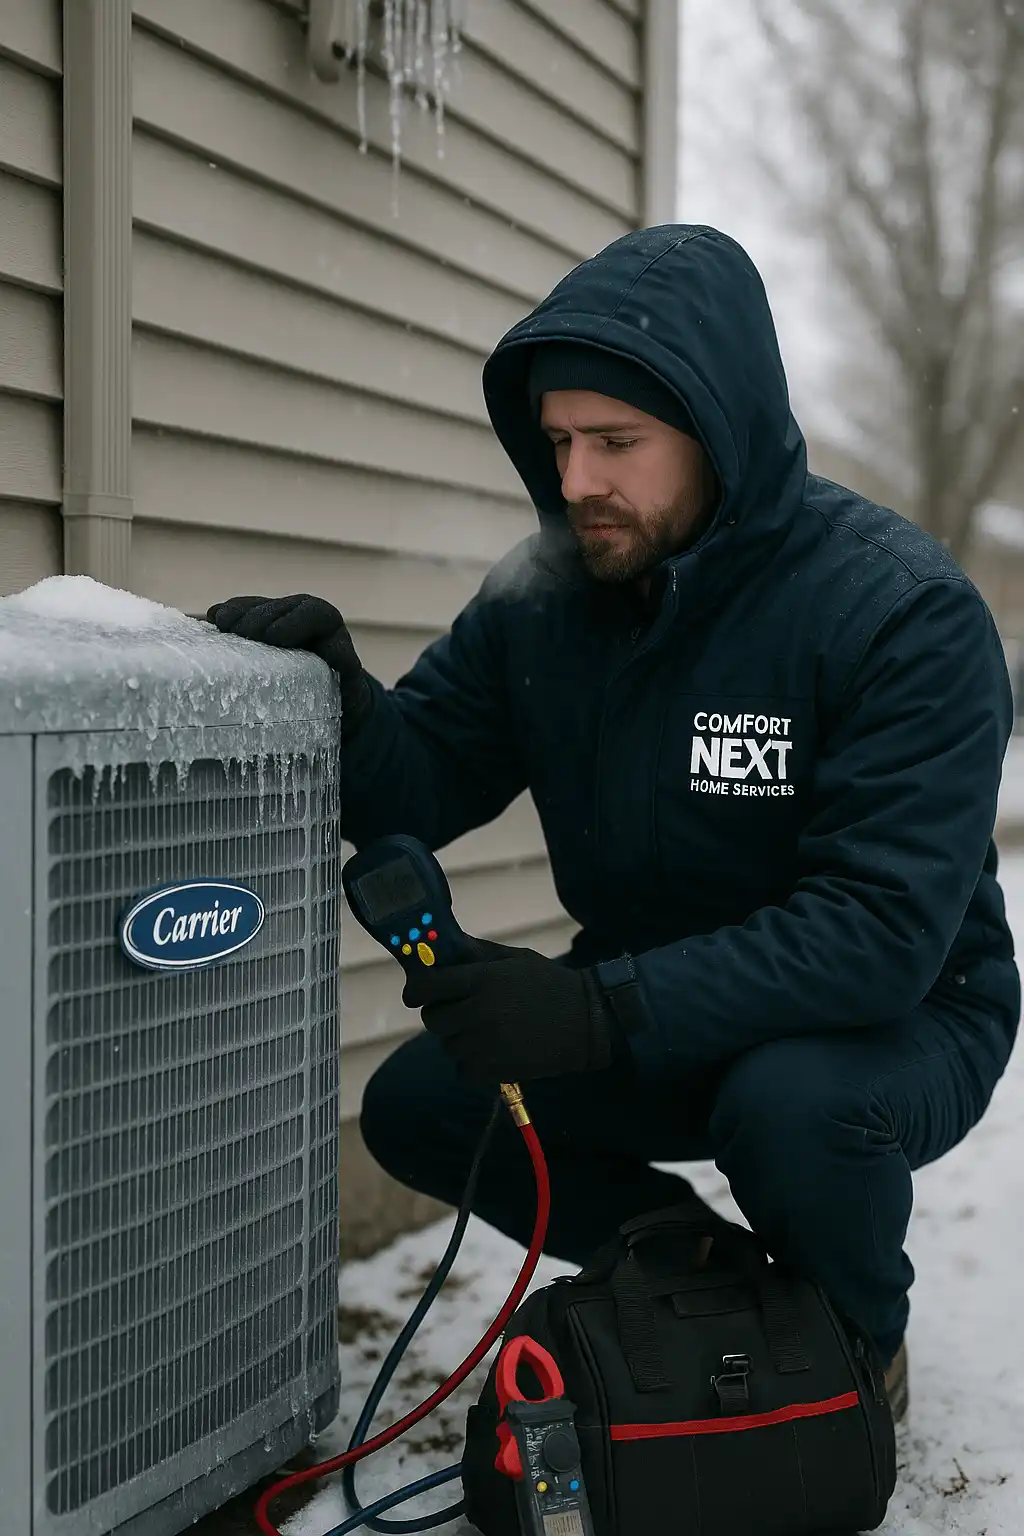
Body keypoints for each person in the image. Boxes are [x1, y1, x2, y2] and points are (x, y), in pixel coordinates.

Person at [207, 224, 1020, 1424]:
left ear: (718, 433)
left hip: (891, 1018)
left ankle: (852, 1354)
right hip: (660, 1005)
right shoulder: (546, 600)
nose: (577, 479)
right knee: (426, 1104)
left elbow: (878, 933)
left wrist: (598, 1009)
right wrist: (339, 701)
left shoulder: (898, 615)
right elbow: (417, 778)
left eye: (617, 443)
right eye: (558, 443)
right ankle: (701, 1273)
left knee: (786, 1103)